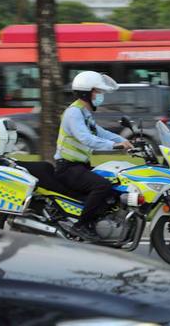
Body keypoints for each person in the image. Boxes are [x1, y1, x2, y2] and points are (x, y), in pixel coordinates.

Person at [54, 71, 133, 240]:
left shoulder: (84, 112)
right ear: (86, 93)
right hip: (67, 167)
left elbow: (100, 132)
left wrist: (126, 141)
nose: (101, 95)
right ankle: (81, 225)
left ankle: (98, 220)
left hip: (79, 166)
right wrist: (115, 145)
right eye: (97, 91)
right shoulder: (73, 112)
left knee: (113, 183)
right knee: (102, 186)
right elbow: (86, 138)